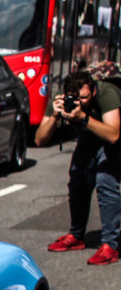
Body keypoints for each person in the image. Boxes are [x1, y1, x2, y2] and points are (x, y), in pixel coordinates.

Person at [37, 70, 121, 265]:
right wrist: (54, 117)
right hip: (88, 139)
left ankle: (111, 245)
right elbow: (40, 140)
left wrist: (82, 117)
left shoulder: (107, 93)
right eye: (77, 99)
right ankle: (76, 236)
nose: (80, 102)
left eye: (84, 97)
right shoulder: (62, 99)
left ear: (93, 91)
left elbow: (113, 135)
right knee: (78, 181)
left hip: (113, 138)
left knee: (105, 181)